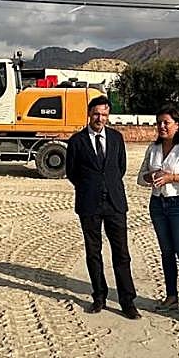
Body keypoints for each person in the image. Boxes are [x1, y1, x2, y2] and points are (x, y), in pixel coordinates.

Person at [65, 95, 139, 319]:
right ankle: (99, 296)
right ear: (89, 114)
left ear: (108, 116)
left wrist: (107, 186)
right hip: (89, 204)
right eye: (96, 114)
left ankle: (127, 301)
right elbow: (72, 173)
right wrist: (92, 187)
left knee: (122, 254)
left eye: (104, 115)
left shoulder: (117, 138)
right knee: (93, 252)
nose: (100, 118)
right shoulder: (77, 141)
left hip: (115, 203)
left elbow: (120, 168)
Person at [137, 106, 179, 316]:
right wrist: (153, 176)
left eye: (166, 122)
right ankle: (172, 296)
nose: (162, 126)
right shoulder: (153, 148)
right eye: (159, 123)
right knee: (166, 253)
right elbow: (141, 177)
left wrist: (171, 177)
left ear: (178, 125)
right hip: (158, 203)